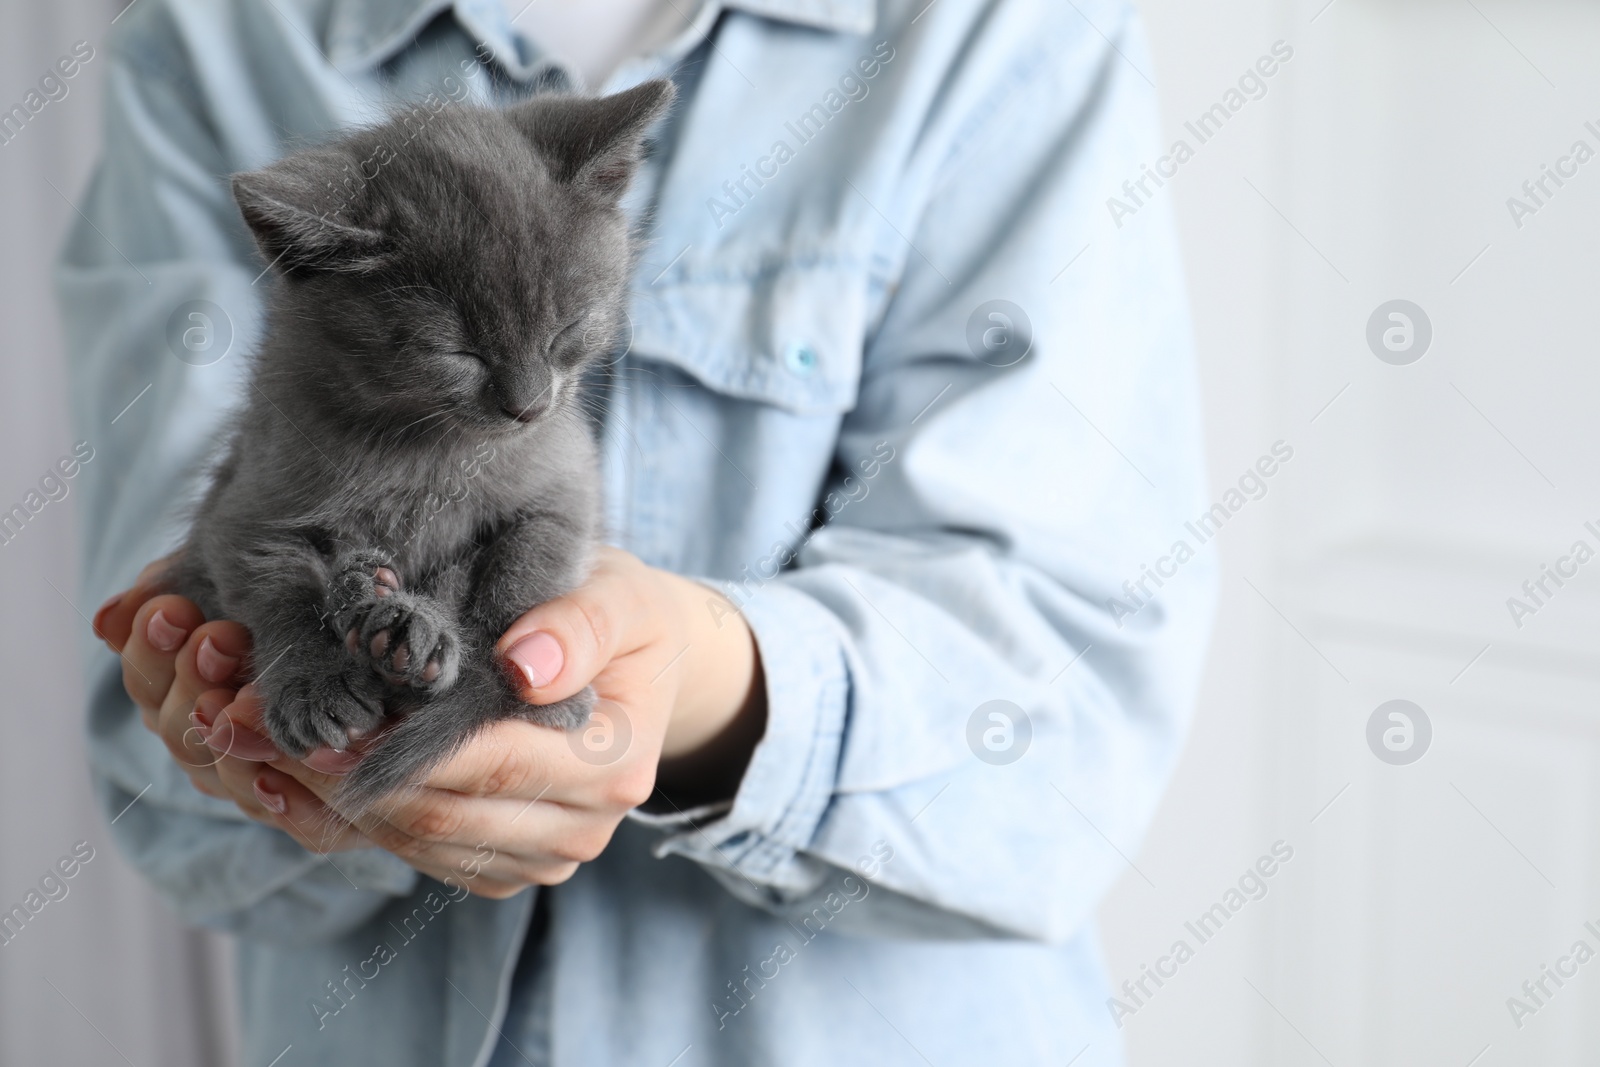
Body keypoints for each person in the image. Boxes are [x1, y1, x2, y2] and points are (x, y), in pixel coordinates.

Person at [60, 0, 1216, 1063]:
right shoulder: (214, 30)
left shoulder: (998, 27)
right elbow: (150, 708)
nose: (530, 404)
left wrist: (701, 690)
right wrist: (250, 727)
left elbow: (1075, 724)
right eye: (464, 358)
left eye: (566, 345)